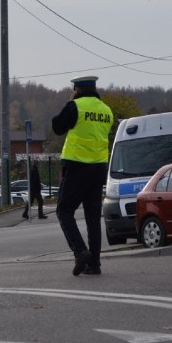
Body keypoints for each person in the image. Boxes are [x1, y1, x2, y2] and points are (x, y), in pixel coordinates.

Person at [51, 75, 114, 276]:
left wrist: (69, 104)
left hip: (77, 166)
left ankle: (80, 252)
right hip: (99, 169)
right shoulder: (106, 110)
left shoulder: (75, 106)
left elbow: (57, 127)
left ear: (77, 89)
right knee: (93, 218)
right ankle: (94, 264)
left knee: (64, 211)